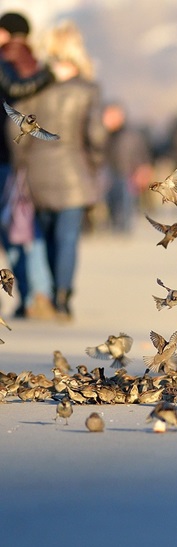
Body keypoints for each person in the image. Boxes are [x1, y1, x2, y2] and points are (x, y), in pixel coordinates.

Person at [10, 20, 106, 321]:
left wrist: (21, 163)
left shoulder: (33, 86)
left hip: (37, 171)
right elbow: (97, 134)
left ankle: (47, 293)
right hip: (75, 172)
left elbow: (15, 128)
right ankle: (63, 297)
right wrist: (95, 162)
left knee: (44, 237)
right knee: (67, 238)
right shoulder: (87, 89)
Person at [0, 11, 54, 318]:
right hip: (33, 156)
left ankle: (33, 295)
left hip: (8, 157)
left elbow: (15, 91)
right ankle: (39, 294)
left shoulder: (7, 63)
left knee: (15, 232)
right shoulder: (35, 62)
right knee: (27, 228)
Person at [101, 101, 153, 233]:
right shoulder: (102, 134)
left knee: (126, 202)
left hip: (128, 173)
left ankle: (124, 228)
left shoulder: (132, 134)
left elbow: (142, 154)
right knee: (111, 202)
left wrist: (143, 170)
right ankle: (114, 226)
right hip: (109, 174)